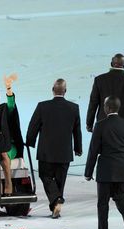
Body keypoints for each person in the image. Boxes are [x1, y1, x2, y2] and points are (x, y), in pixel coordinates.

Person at [86, 53, 124, 193]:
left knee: (104, 152)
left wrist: (89, 123)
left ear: (111, 63)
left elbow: (93, 103)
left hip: (104, 124)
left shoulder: (99, 80)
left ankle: (109, 182)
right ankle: (122, 180)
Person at [26, 78, 82, 218]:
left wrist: (29, 142)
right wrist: (78, 148)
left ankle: (56, 200)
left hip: (46, 152)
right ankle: (56, 206)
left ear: (52, 90)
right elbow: (77, 131)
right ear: (65, 91)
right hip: (64, 152)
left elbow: (33, 126)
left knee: (45, 176)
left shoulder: (42, 106)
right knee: (59, 181)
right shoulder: (73, 108)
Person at [85, 96, 124, 229]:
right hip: (122, 169)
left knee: (103, 204)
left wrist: (88, 173)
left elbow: (93, 150)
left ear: (106, 108)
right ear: (118, 108)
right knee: (121, 200)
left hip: (105, 171)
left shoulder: (100, 125)